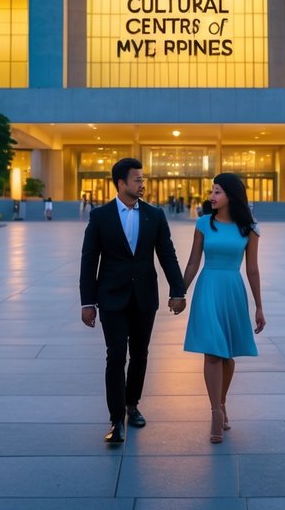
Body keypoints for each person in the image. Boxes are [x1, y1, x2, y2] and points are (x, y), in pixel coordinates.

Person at [80, 158, 186, 445]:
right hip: (111, 298)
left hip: (144, 298)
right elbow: (89, 260)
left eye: (143, 179)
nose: (142, 184)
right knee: (115, 356)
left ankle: (132, 405)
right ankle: (116, 419)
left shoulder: (155, 215)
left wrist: (178, 291)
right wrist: (87, 302)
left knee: (140, 354)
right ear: (121, 183)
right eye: (137, 179)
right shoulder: (100, 216)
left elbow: (167, 254)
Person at [181, 172, 265, 443]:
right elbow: (193, 262)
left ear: (231, 195)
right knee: (213, 352)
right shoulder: (203, 223)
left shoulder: (249, 228)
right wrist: (179, 292)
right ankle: (215, 413)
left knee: (227, 356)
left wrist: (259, 307)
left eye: (217, 191)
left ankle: (222, 401)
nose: (211, 196)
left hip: (232, 290)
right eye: (211, 191)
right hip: (208, 289)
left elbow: (252, 269)